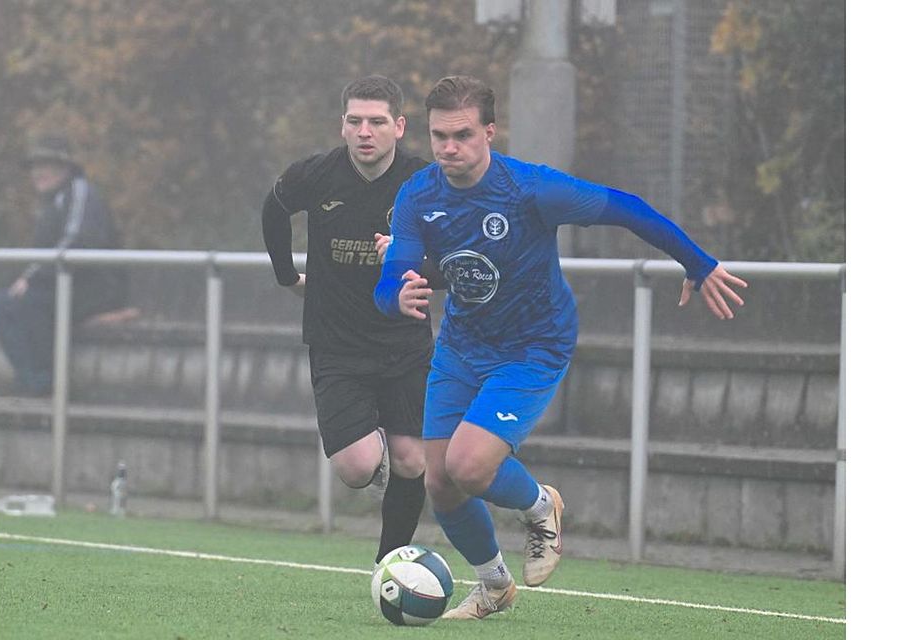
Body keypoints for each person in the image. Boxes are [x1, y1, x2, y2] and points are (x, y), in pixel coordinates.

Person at [374, 75, 748, 620]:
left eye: (462, 135)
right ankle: (493, 586)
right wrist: (396, 295)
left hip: (533, 345)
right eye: (438, 136)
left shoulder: (531, 189)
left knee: (469, 467)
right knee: (440, 482)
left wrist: (697, 262)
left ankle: (540, 505)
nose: (448, 148)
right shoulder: (417, 194)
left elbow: (626, 207)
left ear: (490, 133)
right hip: (461, 344)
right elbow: (392, 276)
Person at [261, 75, 443, 567]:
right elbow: (272, 210)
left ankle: (391, 565)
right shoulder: (315, 175)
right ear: (341, 126)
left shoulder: (423, 183)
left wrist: (416, 265)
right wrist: (285, 276)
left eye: (377, 121)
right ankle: (370, 444)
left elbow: (453, 261)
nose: (365, 131)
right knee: (358, 468)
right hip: (337, 343)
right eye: (355, 120)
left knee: (412, 460)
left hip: (403, 342)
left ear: (399, 126)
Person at [0, 133, 126, 396]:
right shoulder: (51, 203)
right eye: (34, 166)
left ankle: (44, 383)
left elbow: (76, 241)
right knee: (0, 306)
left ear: (65, 168)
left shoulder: (79, 191)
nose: (37, 172)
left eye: (46, 164)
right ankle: (34, 380)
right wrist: (31, 277)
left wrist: (32, 278)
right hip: (63, 283)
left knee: (21, 304)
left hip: (94, 287)